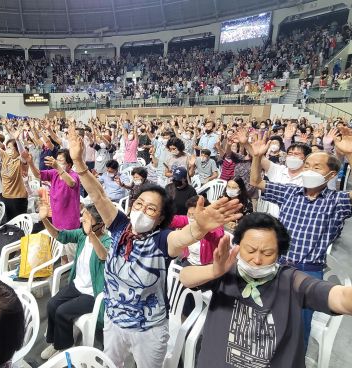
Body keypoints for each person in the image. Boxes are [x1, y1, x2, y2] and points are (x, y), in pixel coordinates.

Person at [65, 120, 242, 368]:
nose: (142, 211)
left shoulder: (161, 240)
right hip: (114, 321)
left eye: (151, 208)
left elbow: (183, 237)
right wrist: (80, 164)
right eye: (139, 204)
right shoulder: (119, 227)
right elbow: (99, 195)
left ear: (160, 218)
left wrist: (200, 227)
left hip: (148, 331)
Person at [179, 213, 352, 367]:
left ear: (279, 255)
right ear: (238, 246)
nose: (257, 259)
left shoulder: (292, 281)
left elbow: (339, 297)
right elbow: (186, 277)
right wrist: (213, 271)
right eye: (250, 250)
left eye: (268, 253)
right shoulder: (226, 272)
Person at [248, 126, 352, 344]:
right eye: (307, 166)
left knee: (298, 327)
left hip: (308, 271)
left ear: (330, 175)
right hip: (278, 266)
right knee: (265, 318)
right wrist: (257, 158)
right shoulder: (290, 192)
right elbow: (257, 182)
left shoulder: (336, 202)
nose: (308, 170)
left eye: (316, 167)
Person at [39, 203, 112, 360]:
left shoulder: (107, 241)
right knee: (52, 304)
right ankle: (55, 342)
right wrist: (45, 219)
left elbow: (104, 256)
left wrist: (91, 235)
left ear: (100, 224)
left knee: (62, 312)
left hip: (93, 293)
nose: (82, 222)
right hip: (77, 285)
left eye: (86, 220)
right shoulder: (81, 235)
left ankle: (65, 347)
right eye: (83, 219)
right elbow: (60, 235)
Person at [27, 148, 81, 232]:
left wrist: (58, 167)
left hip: (70, 222)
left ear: (69, 165)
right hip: (56, 219)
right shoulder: (54, 173)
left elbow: (71, 183)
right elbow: (38, 174)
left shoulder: (73, 175)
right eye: (57, 160)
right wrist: (30, 163)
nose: (57, 163)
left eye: (61, 161)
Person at [0, 135, 28, 221]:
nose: (7, 150)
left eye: (10, 148)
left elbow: (23, 153)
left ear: (16, 149)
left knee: (19, 222)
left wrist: (17, 140)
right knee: (10, 221)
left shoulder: (20, 161)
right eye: (7, 147)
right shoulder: (6, 157)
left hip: (18, 198)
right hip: (6, 196)